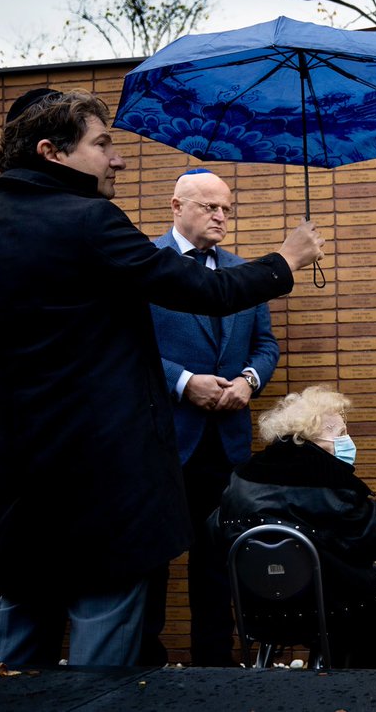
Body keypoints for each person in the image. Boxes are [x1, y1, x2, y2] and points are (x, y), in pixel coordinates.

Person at [0, 88, 324, 667]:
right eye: (102, 144)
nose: (117, 159)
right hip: (101, 477)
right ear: (51, 152)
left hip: (17, 478)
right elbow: (204, 292)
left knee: (20, 618)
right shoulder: (90, 222)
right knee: (107, 628)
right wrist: (286, 260)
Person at [139, 169, 280, 667]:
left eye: (226, 208)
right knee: (151, 565)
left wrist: (248, 380)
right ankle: (143, 673)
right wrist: (183, 381)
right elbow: (125, 347)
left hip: (225, 447)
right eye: (209, 207)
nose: (222, 216)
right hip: (161, 444)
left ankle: (216, 671)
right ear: (177, 206)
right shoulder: (144, 264)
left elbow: (265, 345)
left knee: (219, 567)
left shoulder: (243, 272)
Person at [210, 385, 376, 667]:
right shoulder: (331, 481)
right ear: (314, 437)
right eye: (341, 433)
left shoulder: (243, 478)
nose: (348, 440)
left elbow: (216, 531)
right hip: (333, 608)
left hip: (260, 610)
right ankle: (365, 682)